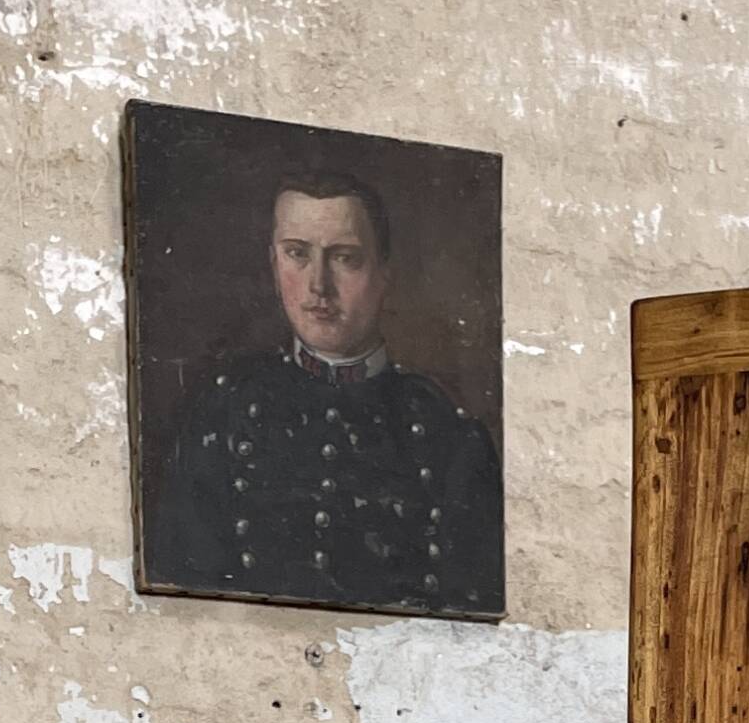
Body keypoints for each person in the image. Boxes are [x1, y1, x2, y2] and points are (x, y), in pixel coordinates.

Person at [154, 164, 503, 615]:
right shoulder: (222, 411)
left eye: (345, 258)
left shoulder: (449, 436)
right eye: (297, 254)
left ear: (383, 274)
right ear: (273, 262)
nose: (319, 285)